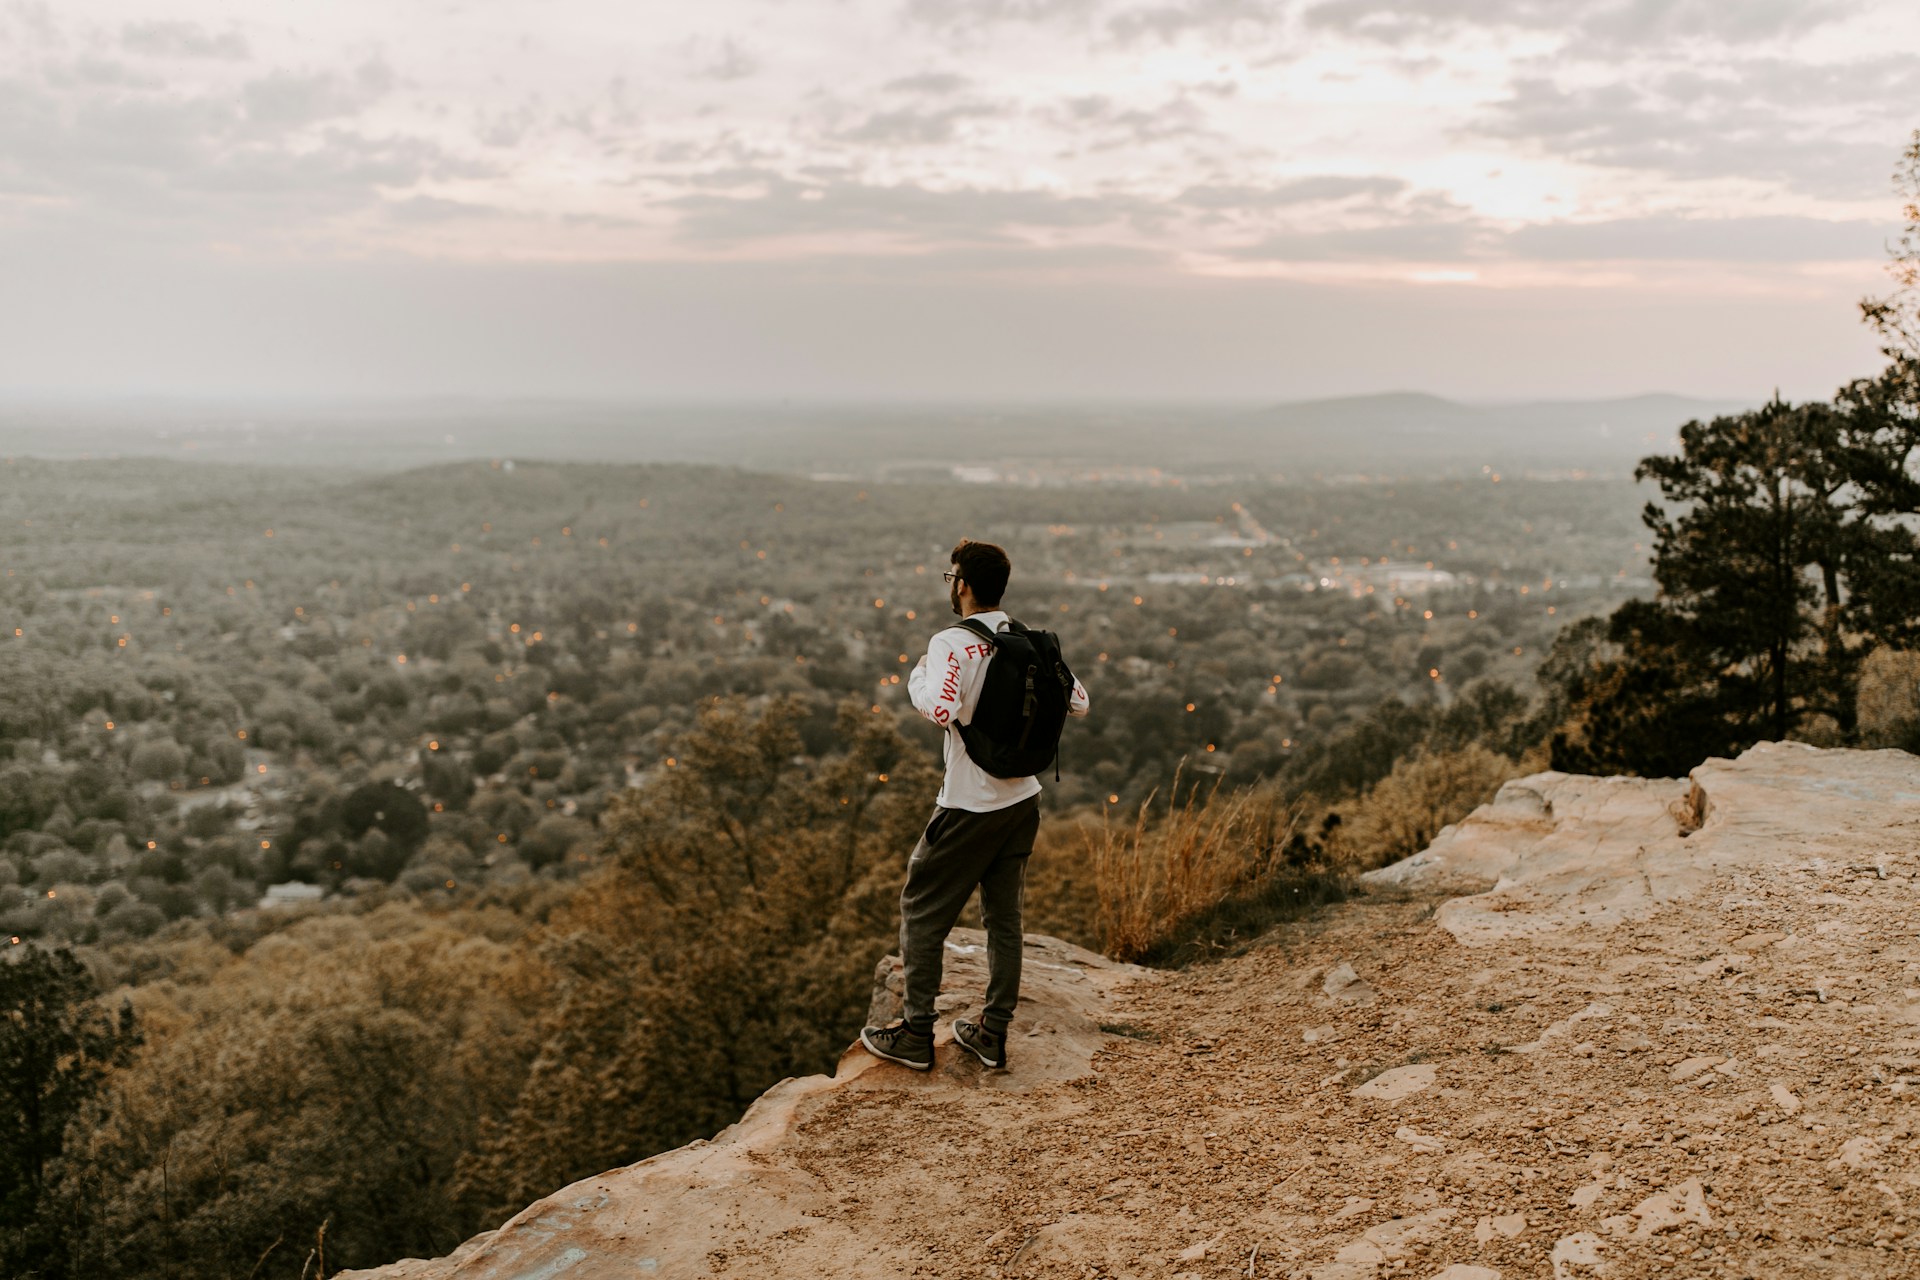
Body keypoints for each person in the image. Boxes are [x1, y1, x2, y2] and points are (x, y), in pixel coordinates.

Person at [859, 538, 1090, 1071]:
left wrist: (918, 676)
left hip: (968, 804)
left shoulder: (952, 643)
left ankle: (916, 1035)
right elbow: (1080, 701)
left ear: (962, 584)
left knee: (920, 910)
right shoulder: (1029, 640)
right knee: (1004, 919)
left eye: (951, 577)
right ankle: (991, 1030)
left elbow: (940, 708)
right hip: (1022, 800)